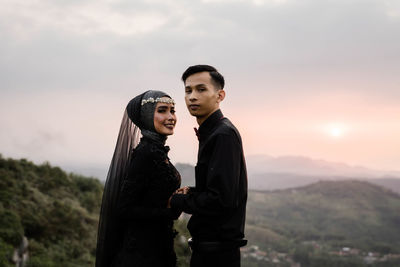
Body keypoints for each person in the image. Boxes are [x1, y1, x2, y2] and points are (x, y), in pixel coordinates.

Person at [169, 65, 248, 267]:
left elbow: (220, 200)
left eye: (201, 89)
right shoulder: (212, 132)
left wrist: (180, 200)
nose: (192, 97)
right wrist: (193, 192)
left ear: (219, 95)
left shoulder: (222, 135)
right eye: (188, 91)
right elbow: (217, 189)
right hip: (210, 250)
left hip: (217, 255)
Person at [96, 90, 181, 267]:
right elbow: (124, 209)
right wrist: (168, 211)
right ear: (147, 116)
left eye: (172, 110)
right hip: (142, 256)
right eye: (162, 110)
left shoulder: (156, 151)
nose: (171, 116)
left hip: (158, 248)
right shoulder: (146, 154)